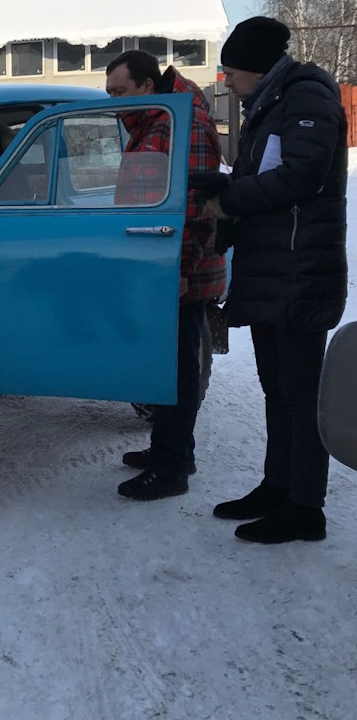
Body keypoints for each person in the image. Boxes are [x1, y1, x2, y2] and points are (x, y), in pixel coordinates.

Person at [201, 16, 348, 543]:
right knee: (276, 389)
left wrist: (230, 199)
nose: (227, 82)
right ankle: (277, 486)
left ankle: (305, 509)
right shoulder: (271, 103)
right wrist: (216, 183)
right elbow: (265, 173)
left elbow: (302, 176)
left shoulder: (305, 97)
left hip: (300, 269)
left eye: (231, 72)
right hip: (274, 268)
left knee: (300, 393)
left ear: (255, 68)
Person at [105, 50, 227, 500]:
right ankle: (170, 449)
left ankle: (173, 467)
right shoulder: (154, 122)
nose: (115, 103)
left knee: (177, 367)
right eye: (109, 93)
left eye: (120, 92)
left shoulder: (183, 123)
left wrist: (181, 272)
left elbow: (198, 207)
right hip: (161, 265)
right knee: (164, 362)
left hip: (179, 270)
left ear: (148, 86)